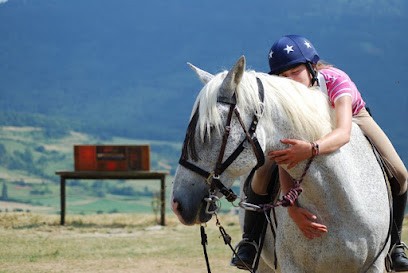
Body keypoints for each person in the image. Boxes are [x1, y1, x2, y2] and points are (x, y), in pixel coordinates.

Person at [231, 34, 408, 271]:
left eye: (295, 72)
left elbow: (343, 133)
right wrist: (291, 208)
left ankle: (394, 246)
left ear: (312, 67)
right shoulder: (287, 99)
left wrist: (311, 149)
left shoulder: (336, 80)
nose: (290, 80)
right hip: (307, 132)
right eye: (283, 76)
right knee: (260, 178)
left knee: (401, 174)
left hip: (351, 118)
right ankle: (250, 242)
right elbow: (287, 156)